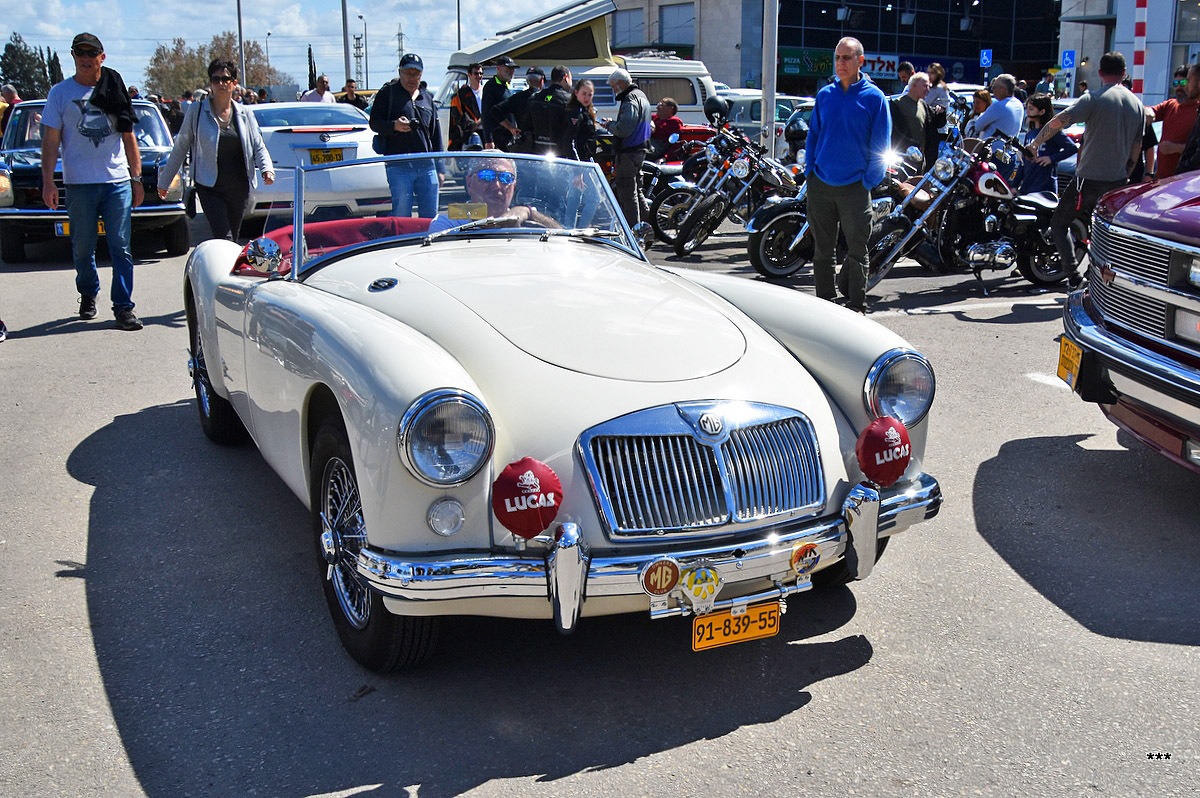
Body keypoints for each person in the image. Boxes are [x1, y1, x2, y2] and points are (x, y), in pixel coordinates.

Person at [41, 32, 145, 331]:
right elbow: (50, 140)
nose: (86, 58)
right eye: (80, 52)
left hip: (116, 182)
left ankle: (123, 307)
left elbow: (129, 136)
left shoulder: (114, 88)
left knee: (121, 246)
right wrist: (49, 181)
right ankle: (88, 292)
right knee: (83, 247)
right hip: (78, 184)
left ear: (103, 56)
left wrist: (136, 178)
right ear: (73, 56)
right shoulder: (60, 93)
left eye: (92, 53)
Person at [1030, 52, 1143, 287]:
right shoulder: (1137, 104)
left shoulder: (1094, 98)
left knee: (1059, 224)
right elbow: (1136, 147)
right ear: (1124, 73)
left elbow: (1060, 121)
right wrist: (1127, 172)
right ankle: (1104, 280)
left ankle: (1073, 276)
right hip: (1118, 180)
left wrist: (1035, 143)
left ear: (1100, 73)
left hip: (1087, 180)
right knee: (1107, 234)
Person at [805, 36, 890, 315]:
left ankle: (856, 305)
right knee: (823, 250)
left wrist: (868, 181)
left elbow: (881, 144)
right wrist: (810, 172)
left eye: (847, 58)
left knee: (856, 251)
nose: (841, 63)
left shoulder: (875, 98)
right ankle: (825, 305)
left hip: (855, 186)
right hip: (821, 184)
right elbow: (813, 136)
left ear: (860, 61)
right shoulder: (825, 95)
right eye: (838, 57)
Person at [158, 58, 275, 242]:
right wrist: (164, 181)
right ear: (210, 83)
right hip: (209, 186)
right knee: (224, 236)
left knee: (233, 238)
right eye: (215, 79)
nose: (220, 83)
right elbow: (180, 147)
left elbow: (258, 145)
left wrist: (267, 169)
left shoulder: (245, 113)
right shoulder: (197, 112)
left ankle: (228, 271)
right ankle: (223, 270)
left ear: (234, 84)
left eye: (225, 79)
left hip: (239, 187)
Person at [369, 52, 444, 218]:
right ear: (399, 72)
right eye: (408, 73)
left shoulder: (427, 98)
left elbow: (435, 134)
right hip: (399, 166)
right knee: (402, 213)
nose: (412, 78)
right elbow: (374, 123)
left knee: (431, 215)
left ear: (421, 75)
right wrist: (394, 126)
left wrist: (440, 168)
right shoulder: (388, 94)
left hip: (426, 166)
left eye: (416, 74)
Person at [426, 154, 558, 233]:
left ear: (514, 186)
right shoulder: (449, 220)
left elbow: (564, 238)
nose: (497, 185)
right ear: (469, 183)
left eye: (506, 178)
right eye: (487, 176)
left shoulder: (524, 215)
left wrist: (529, 212)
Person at [607, 67, 653, 225]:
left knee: (627, 193)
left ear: (621, 83)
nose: (614, 90)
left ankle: (634, 230)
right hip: (641, 149)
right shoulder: (642, 96)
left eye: (614, 86)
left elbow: (623, 129)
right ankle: (650, 224)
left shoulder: (630, 99)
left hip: (628, 151)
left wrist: (609, 125)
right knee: (637, 192)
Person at [1014, 92, 1076, 195]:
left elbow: (1072, 148)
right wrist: (1015, 185)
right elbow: (1023, 162)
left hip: (1045, 185)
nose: (1027, 112)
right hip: (1028, 185)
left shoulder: (1053, 132)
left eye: (1031, 109)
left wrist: (1051, 158)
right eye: (1027, 108)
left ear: (1042, 111)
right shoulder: (1030, 133)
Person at [1146, 63, 1200, 180]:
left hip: (1184, 182)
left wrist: (1175, 148)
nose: (1179, 87)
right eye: (1176, 83)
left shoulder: (1198, 111)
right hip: (1162, 179)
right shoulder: (1170, 105)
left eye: (1184, 82)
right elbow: (1149, 112)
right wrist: (1148, 111)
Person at [562, 79, 600, 227]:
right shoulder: (575, 112)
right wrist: (578, 169)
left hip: (585, 162)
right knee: (593, 198)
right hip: (579, 164)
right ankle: (579, 229)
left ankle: (570, 228)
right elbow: (569, 142)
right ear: (576, 92)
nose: (587, 97)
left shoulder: (585, 111)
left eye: (590, 94)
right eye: (584, 94)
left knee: (575, 199)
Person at [888, 71, 945, 171]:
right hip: (903, 158)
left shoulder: (924, 105)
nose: (927, 90)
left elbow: (938, 125)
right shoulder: (897, 105)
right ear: (914, 85)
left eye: (929, 87)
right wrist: (911, 145)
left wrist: (941, 112)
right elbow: (894, 132)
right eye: (925, 86)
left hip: (921, 159)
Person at [491, 66, 545, 153]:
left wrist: (511, 128)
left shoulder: (518, 97)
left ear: (527, 81)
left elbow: (495, 111)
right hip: (545, 144)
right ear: (542, 80)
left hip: (524, 144)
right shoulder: (548, 98)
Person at [527, 65, 572, 155]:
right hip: (561, 153)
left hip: (536, 151)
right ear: (566, 77)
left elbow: (526, 124)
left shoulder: (534, 97)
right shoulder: (568, 100)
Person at [481, 56, 517, 150]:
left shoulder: (506, 86)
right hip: (497, 137)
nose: (511, 71)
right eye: (508, 68)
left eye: (513, 69)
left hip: (509, 137)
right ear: (498, 68)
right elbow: (486, 114)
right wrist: (488, 140)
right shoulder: (491, 86)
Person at [448, 63, 484, 151]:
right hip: (468, 138)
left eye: (481, 73)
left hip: (486, 136)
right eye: (476, 73)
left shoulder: (487, 92)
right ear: (469, 75)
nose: (479, 76)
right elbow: (456, 119)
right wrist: (474, 124)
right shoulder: (461, 95)